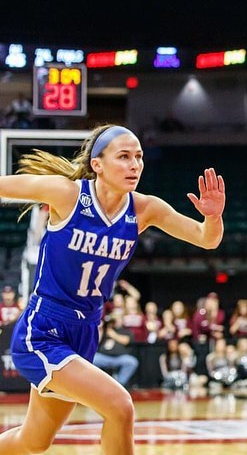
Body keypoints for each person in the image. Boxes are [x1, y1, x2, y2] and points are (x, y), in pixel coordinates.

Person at [0, 124, 225, 455]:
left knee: (33, 441)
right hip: (44, 330)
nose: (134, 165)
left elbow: (207, 238)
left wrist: (214, 217)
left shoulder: (145, 208)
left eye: (139, 157)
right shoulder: (67, 194)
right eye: (124, 157)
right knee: (120, 406)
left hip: (86, 331)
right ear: (97, 164)